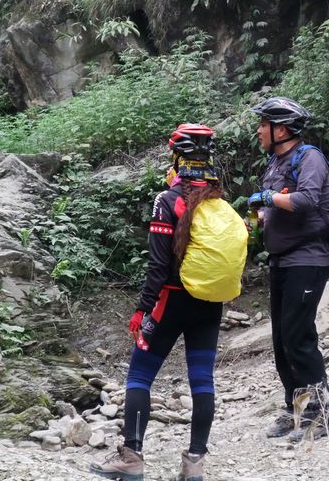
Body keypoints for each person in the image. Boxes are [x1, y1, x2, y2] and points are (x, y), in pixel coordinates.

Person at [90, 124, 227, 481]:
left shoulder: (167, 201)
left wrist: (142, 308)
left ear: (179, 158)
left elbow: (158, 266)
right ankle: (194, 463)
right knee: (202, 380)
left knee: (139, 375)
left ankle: (132, 457)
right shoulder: (219, 202)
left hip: (171, 301)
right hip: (209, 304)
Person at [247, 97, 329, 442]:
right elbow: (275, 206)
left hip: (308, 259)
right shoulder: (275, 162)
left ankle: (322, 416)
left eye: (263, 124)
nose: (259, 130)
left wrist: (267, 199)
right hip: (281, 260)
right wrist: (259, 218)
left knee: (299, 337)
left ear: (282, 129)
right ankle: (295, 409)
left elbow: (307, 199)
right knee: (283, 339)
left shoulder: (309, 157)